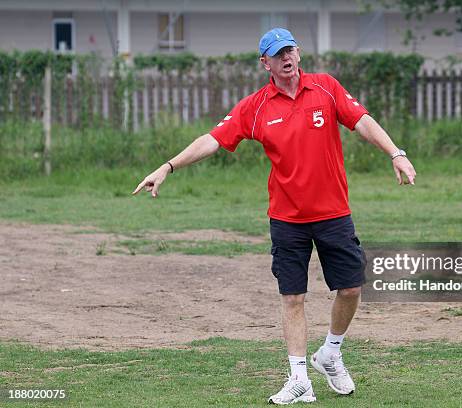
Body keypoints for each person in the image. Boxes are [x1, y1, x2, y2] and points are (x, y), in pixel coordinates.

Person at [133, 27, 416, 405]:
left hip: (334, 213)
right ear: (265, 62)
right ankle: (298, 377)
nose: (286, 58)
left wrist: (395, 152)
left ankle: (331, 353)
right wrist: (168, 166)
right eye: (276, 53)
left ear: (298, 54)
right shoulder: (255, 107)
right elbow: (212, 140)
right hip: (287, 219)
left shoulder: (326, 87)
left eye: (290, 51)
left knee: (350, 289)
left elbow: (361, 120)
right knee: (292, 298)